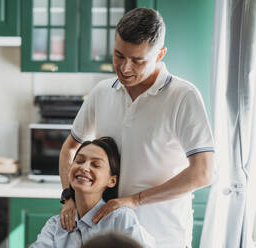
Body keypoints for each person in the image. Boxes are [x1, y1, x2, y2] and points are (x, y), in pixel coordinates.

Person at [59, 8, 215, 248]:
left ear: (160, 54)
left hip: (165, 239)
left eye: (137, 60)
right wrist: (68, 197)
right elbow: (70, 148)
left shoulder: (183, 97)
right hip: (109, 239)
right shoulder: (101, 92)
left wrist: (136, 200)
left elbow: (203, 173)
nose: (125, 68)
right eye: (119, 55)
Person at [30, 137, 155, 248]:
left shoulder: (121, 219)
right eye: (79, 161)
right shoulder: (56, 225)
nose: (84, 168)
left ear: (112, 181)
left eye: (96, 164)